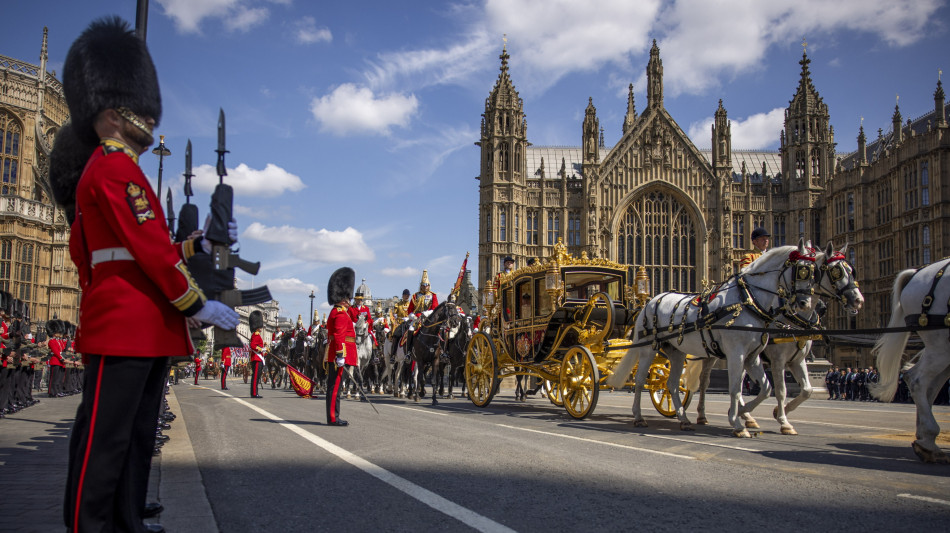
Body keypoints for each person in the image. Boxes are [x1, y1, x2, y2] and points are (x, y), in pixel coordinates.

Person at [48, 18, 240, 533]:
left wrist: (200, 243)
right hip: (127, 321)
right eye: (140, 108)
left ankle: (125, 520)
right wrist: (197, 303)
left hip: (141, 322)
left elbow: (147, 244)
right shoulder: (114, 168)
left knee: (132, 433)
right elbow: (148, 253)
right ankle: (91, 525)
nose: (151, 117)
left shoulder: (122, 169)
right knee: (106, 438)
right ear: (112, 114)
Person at [325, 267, 357, 426]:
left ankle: (333, 416)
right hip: (339, 355)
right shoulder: (340, 313)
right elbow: (338, 336)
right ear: (343, 299)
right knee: (335, 388)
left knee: (334, 387)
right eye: (348, 298)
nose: (349, 301)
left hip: (338, 354)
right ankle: (333, 417)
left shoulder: (337, 312)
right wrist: (340, 355)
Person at [249, 310, 265, 398]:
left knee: (256, 376)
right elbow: (253, 345)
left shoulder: (257, 335)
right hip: (256, 357)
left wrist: (263, 348)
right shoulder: (256, 334)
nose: (261, 328)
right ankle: (254, 393)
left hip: (258, 357)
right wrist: (261, 349)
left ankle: (254, 392)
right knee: (255, 376)